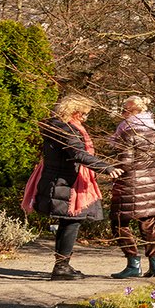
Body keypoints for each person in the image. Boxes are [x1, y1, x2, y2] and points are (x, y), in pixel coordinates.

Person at [34, 94, 119, 281]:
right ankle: (61, 267)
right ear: (74, 111)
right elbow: (78, 154)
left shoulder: (57, 126)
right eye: (84, 114)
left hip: (61, 180)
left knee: (68, 222)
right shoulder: (66, 129)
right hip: (66, 183)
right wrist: (106, 167)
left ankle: (62, 265)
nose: (85, 118)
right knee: (72, 221)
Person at [107, 95, 155, 278]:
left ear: (134, 111)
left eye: (125, 109)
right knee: (148, 225)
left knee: (119, 223)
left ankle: (133, 264)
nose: (122, 113)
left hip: (129, 186)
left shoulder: (127, 132)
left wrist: (111, 171)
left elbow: (126, 162)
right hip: (150, 185)